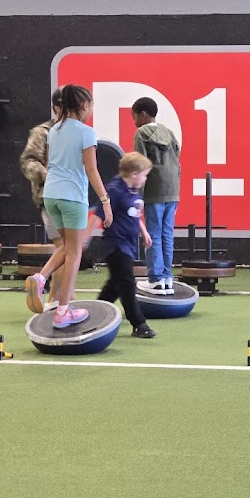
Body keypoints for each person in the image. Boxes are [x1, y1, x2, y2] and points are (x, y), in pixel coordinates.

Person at [24, 84, 112, 328]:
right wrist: (105, 201)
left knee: (67, 246)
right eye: (91, 105)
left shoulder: (54, 131)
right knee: (75, 251)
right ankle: (63, 311)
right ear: (84, 105)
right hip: (72, 197)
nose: (92, 110)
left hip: (50, 196)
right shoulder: (87, 132)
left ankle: (40, 277)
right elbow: (91, 169)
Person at [90, 151, 157, 339]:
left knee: (115, 284)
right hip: (115, 245)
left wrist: (144, 232)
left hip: (128, 244)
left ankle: (96, 315)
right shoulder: (114, 190)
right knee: (127, 282)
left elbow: (134, 213)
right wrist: (85, 239)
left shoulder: (133, 190)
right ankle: (139, 324)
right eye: (144, 175)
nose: (145, 179)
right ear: (134, 174)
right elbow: (98, 215)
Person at [19, 88, 65, 308]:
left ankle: (63, 297)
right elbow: (27, 162)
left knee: (68, 248)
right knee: (66, 247)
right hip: (50, 196)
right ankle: (55, 299)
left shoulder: (76, 132)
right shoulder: (42, 132)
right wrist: (46, 174)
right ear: (57, 107)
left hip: (71, 196)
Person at [131, 96, 181, 295]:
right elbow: (177, 156)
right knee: (167, 234)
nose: (134, 121)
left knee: (153, 234)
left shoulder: (141, 133)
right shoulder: (169, 133)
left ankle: (156, 279)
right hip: (172, 190)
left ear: (143, 115)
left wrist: (137, 196)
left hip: (153, 190)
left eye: (135, 117)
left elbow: (139, 165)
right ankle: (167, 278)